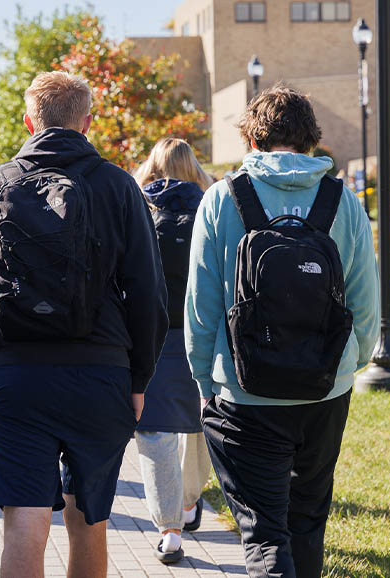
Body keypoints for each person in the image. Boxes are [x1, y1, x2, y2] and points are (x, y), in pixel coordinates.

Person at [0, 71, 168, 578]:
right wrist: (138, 380)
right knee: (88, 519)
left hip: (14, 376)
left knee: (24, 523)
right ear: (87, 122)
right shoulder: (118, 185)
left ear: (28, 122)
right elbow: (148, 295)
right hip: (101, 375)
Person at [186, 86, 379, 578]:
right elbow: (364, 299)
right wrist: (347, 368)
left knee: (265, 533)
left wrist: (204, 381)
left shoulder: (222, 199)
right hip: (323, 390)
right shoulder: (343, 201)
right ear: (312, 139)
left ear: (251, 137)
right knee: (307, 522)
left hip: (243, 391)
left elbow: (203, 302)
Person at [130, 138, 215, 565]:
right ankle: (188, 500)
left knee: (153, 433)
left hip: (152, 337)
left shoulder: (139, 209)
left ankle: (169, 530)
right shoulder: (213, 209)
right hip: (203, 335)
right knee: (200, 424)